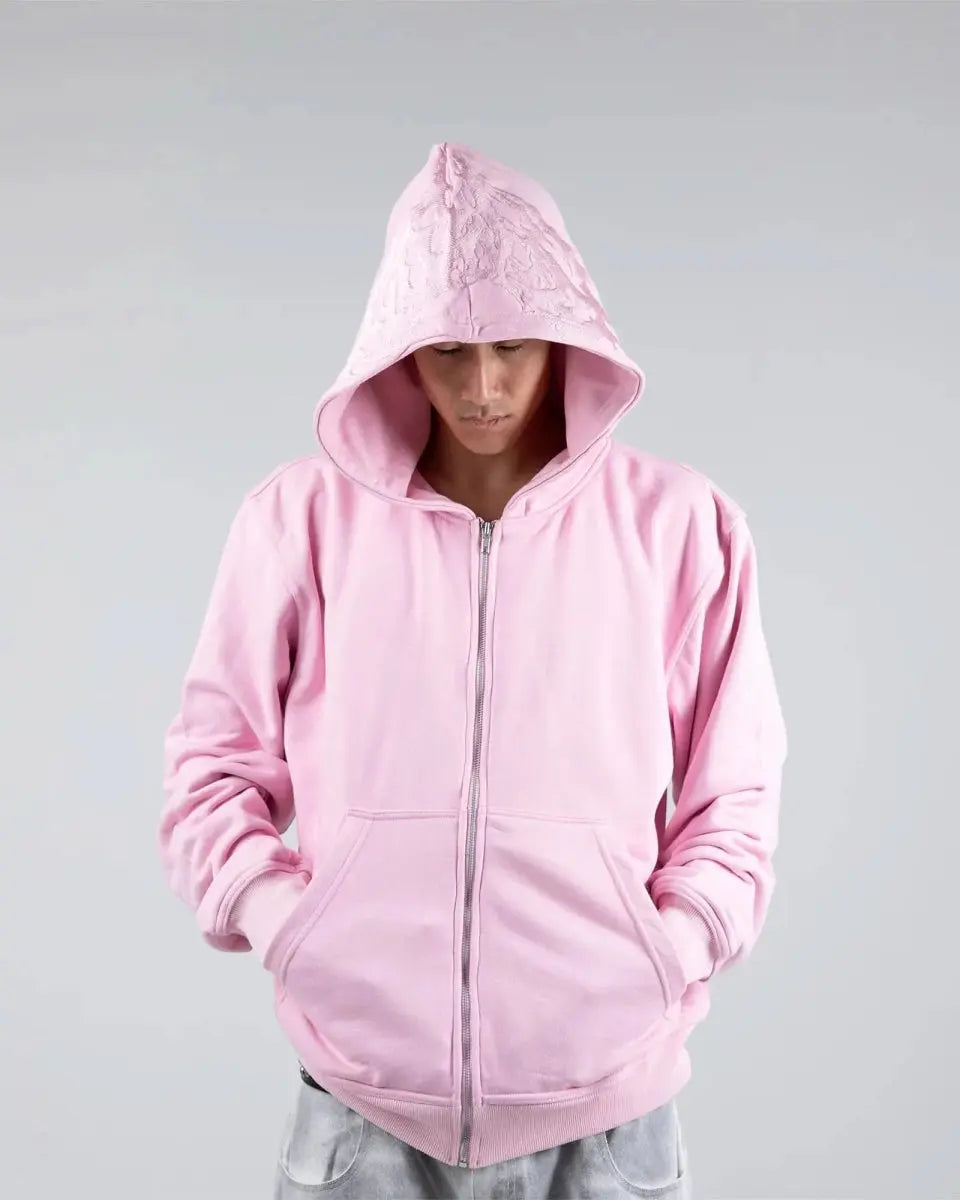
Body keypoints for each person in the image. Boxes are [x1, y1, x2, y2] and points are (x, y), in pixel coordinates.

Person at [159, 140, 788, 1199]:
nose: (483, 386)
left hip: (611, 1115)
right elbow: (209, 769)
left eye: (513, 346)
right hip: (360, 1110)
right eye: (447, 350)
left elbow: (738, 794)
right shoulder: (300, 521)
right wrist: (286, 928)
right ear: (399, 351)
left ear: (566, 338)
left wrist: (667, 951)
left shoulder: (682, 526)